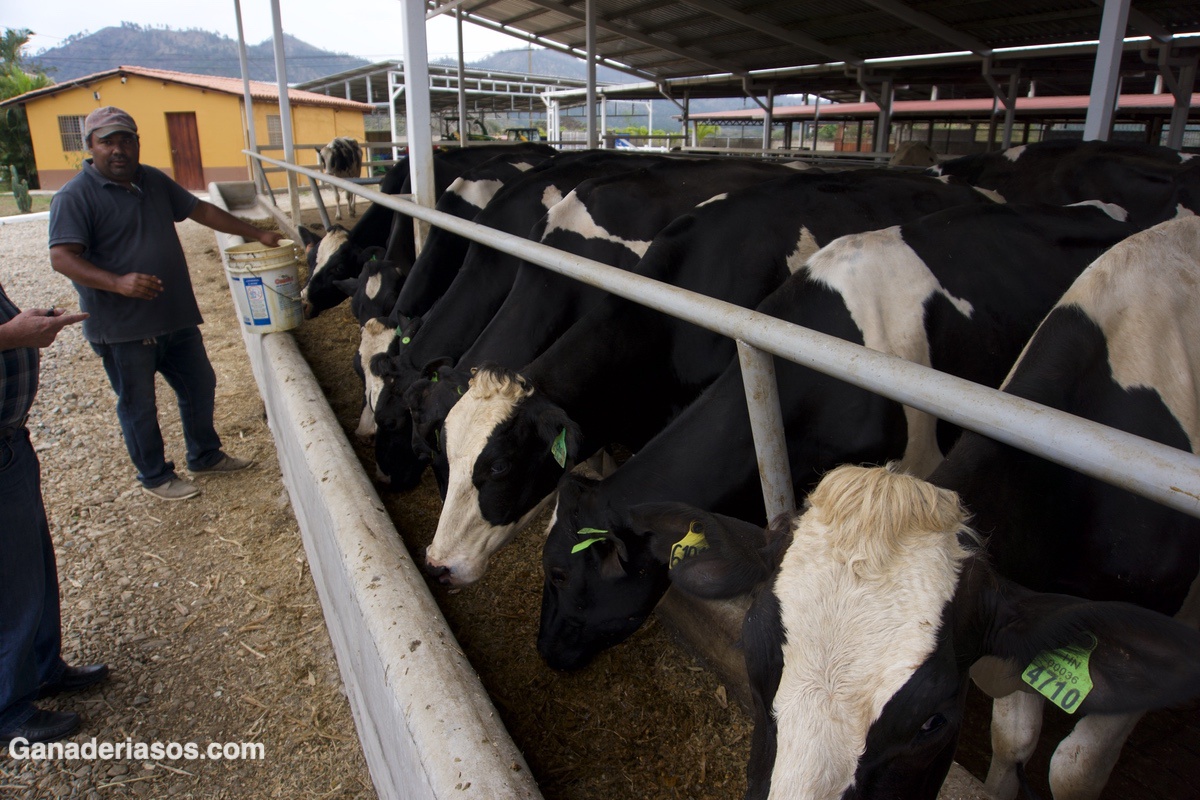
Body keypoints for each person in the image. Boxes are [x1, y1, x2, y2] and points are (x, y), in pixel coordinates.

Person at [48, 106, 283, 501]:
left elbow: (200, 210)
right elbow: (62, 257)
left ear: (138, 142)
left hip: (173, 315)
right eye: (107, 141)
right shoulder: (74, 196)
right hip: (124, 326)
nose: (118, 149)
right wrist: (117, 282)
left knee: (199, 383)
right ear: (90, 146)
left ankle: (204, 454)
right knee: (139, 404)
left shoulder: (152, 180)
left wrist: (256, 233)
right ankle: (155, 476)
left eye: (126, 139)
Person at [0, 288, 108, 746]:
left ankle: (43, 669)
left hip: (10, 442)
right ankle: (9, 710)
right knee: (11, 582)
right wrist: (14, 334)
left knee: (33, 566)